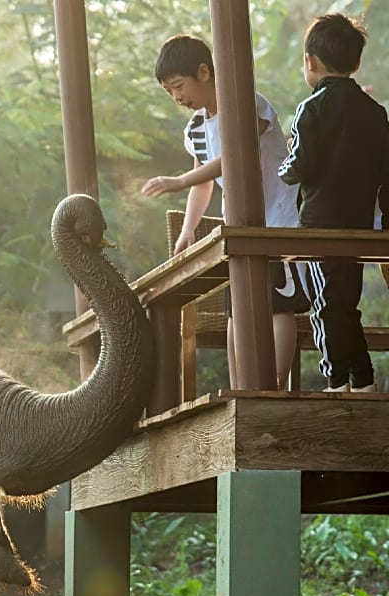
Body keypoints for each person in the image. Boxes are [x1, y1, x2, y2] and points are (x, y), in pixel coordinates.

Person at [142, 34, 309, 389]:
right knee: (238, 309)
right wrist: (188, 229)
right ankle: (241, 388)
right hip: (238, 225)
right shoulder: (196, 129)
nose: (177, 98)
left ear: (204, 72)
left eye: (178, 86)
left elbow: (236, 155)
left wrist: (178, 180)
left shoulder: (248, 105)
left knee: (278, 303)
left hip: (278, 218)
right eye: (169, 92)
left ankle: (274, 385)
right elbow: (204, 182)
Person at [278, 13, 389, 393]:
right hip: (359, 227)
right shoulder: (374, 112)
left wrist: (282, 168)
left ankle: (336, 381)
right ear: (356, 63)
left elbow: (299, 164)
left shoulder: (311, 109)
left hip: (319, 227)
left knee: (325, 304)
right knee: (344, 302)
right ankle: (362, 379)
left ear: (310, 61)